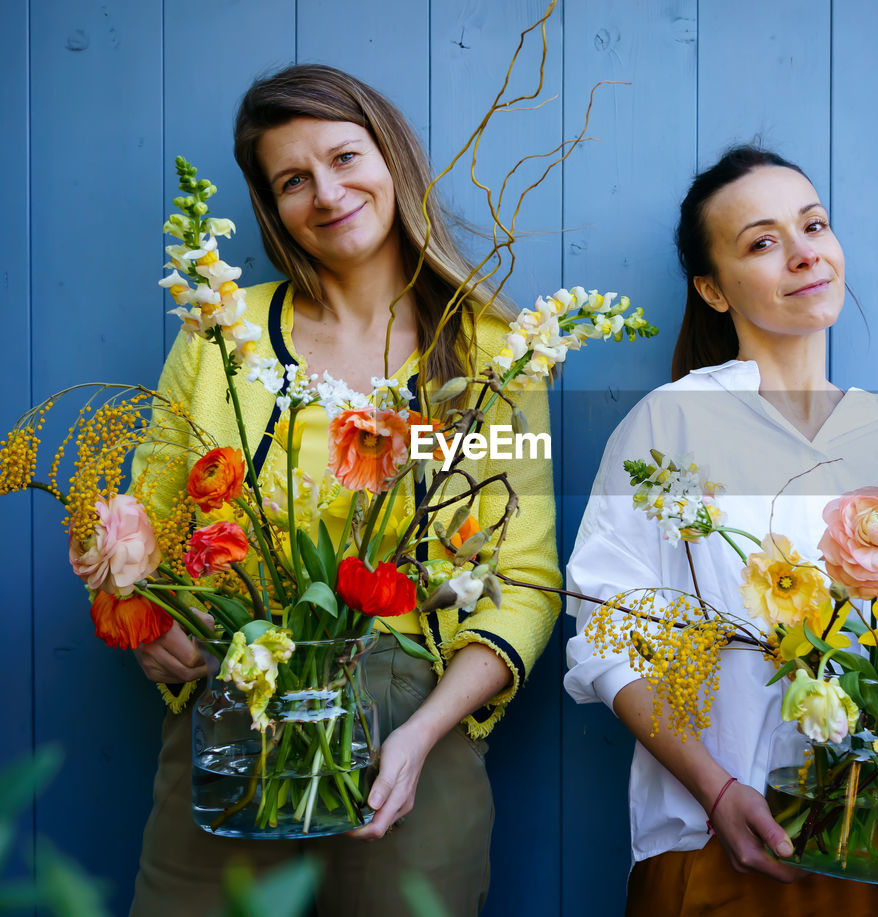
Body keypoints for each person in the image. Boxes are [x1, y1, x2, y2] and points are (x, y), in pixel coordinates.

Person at [127, 64, 560, 917]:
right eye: (293, 180)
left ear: (391, 157)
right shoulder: (221, 332)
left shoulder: (495, 350)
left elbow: (525, 578)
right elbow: (142, 524)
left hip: (411, 723)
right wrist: (147, 614)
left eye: (344, 157)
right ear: (270, 208)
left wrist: (421, 733)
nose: (326, 193)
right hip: (230, 709)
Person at [563, 146, 878, 915]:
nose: (806, 249)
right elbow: (608, 636)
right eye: (762, 241)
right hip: (721, 853)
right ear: (712, 289)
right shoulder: (672, 423)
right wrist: (716, 792)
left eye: (813, 223)